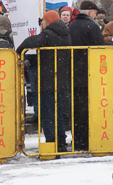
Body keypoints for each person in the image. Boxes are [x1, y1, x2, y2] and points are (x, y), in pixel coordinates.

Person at [16, 10, 71, 152]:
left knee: (47, 113)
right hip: (60, 79)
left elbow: (30, 41)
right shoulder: (65, 33)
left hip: (48, 79)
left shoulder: (48, 34)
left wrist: (18, 51)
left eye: (43, 21)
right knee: (58, 111)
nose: (42, 24)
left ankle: (52, 142)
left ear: (48, 21)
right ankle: (61, 141)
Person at [69, 0, 104, 150]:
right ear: (90, 12)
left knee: (76, 109)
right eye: (95, 13)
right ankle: (88, 140)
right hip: (89, 73)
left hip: (73, 74)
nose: (96, 16)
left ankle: (77, 140)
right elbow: (100, 48)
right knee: (89, 108)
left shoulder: (71, 26)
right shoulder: (92, 26)